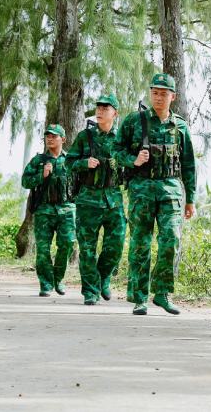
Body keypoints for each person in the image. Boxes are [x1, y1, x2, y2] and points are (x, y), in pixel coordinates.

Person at [116, 74, 196, 316]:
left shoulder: (180, 126)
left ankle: (162, 293)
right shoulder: (134, 121)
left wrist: (190, 198)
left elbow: (189, 164)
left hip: (171, 190)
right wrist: (133, 160)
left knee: (171, 239)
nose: (159, 97)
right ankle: (139, 297)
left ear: (173, 96)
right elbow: (116, 149)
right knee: (140, 243)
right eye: (155, 92)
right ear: (151, 94)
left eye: (164, 93)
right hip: (141, 190)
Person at [66, 94, 126, 306]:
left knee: (116, 245)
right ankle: (91, 291)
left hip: (114, 200)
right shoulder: (85, 137)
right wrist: (84, 163)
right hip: (88, 200)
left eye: (105, 108)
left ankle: (103, 278)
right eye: (98, 107)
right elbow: (68, 162)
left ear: (115, 113)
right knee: (88, 249)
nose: (100, 111)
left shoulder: (121, 139)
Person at [22, 125, 77, 297]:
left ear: (63, 139)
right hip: (44, 211)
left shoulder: (70, 160)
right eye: (47, 136)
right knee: (43, 249)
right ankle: (46, 284)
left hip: (67, 210)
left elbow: (80, 184)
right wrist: (42, 176)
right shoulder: (38, 161)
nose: (50, 138)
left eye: (54, 136)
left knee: (67, 245)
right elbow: (25, 182)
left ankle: (58, 279)